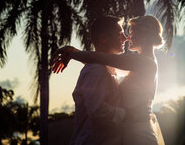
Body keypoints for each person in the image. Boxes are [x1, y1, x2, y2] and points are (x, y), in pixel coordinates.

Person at [52, 15, 165, 145]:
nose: (127, 37)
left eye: (132, 32)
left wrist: (72, 53)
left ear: (144, 36)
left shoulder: (143, 62)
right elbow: (106, 66)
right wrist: (73, 53)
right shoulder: (137, 63)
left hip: (138, 133)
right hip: (130, 130)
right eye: (124, 33)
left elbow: (106, 60)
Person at [54, 16, 128, 145]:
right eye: (119, 34)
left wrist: (73, 53)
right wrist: (126, 114)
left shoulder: (106, 69)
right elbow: (97, 110)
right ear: (103, 38)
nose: (125, 38)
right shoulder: (96, 71)